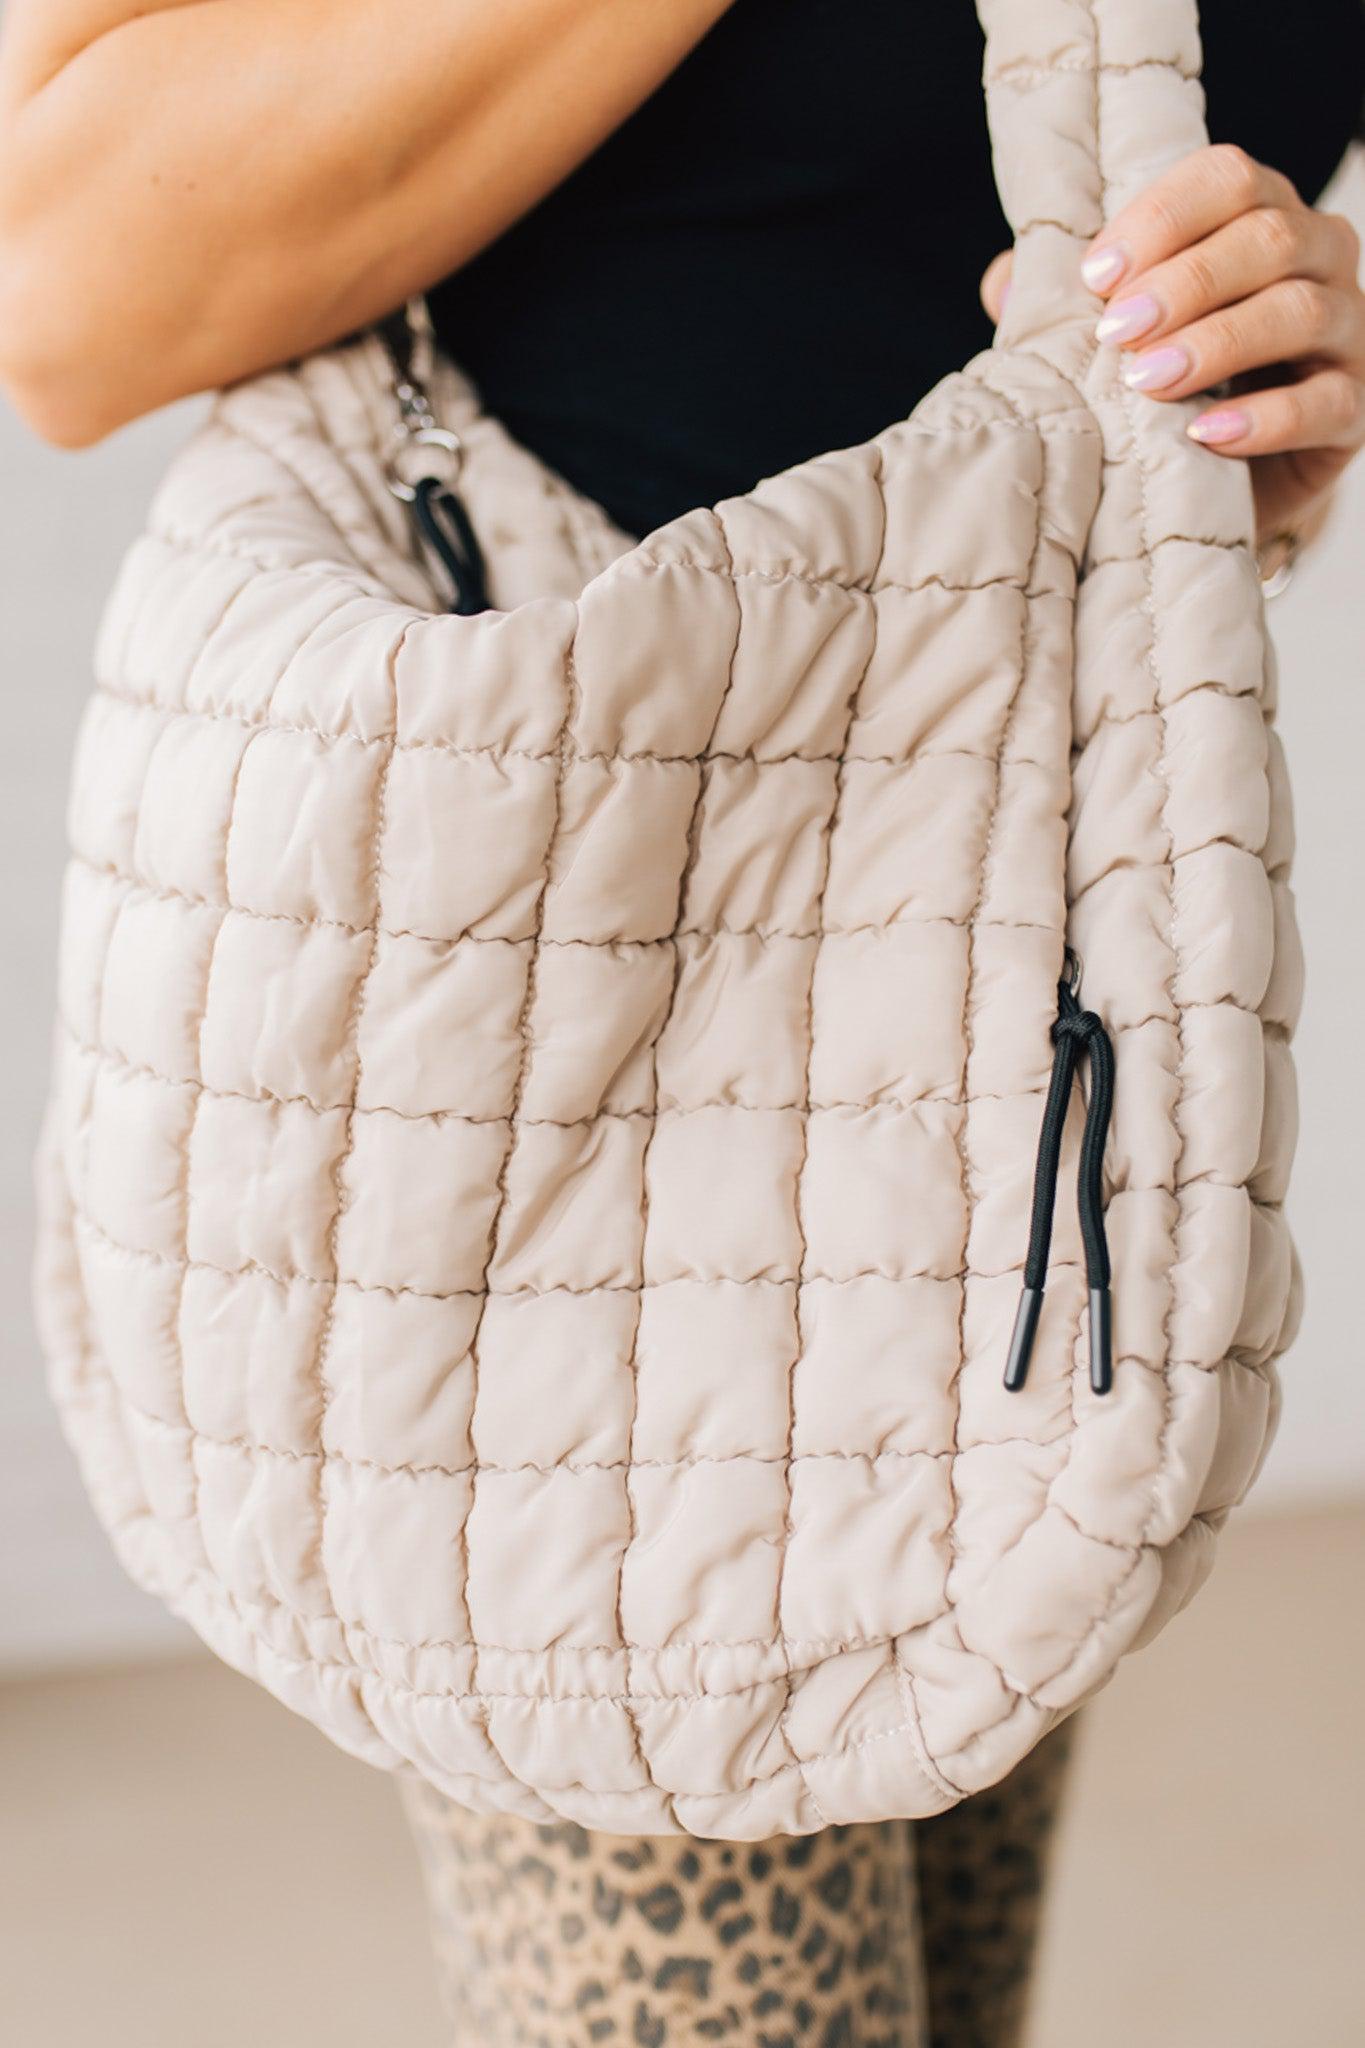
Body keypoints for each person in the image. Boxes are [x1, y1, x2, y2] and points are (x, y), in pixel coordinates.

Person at [2, 3, 1362, 2041]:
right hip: (568, 1030)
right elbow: (66, 282)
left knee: (946, 1980)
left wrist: (1245, 383)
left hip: (982, 991)